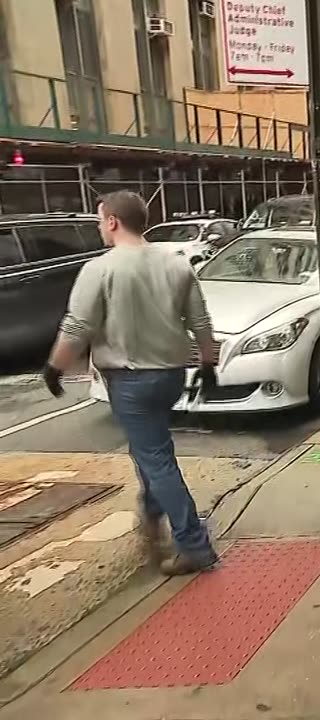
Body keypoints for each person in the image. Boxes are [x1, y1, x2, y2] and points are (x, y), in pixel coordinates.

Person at [43, 191, 220, 576]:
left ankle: (194, 544)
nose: (99, 228)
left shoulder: (100, 269)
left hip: (130, 381)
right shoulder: (177, 264)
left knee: (156, 458)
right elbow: (201, 322)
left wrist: (55, 368)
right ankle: (152, 518)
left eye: (99, 220)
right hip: (170, 376)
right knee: (149, 451)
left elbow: (77, 326)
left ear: (112, 222)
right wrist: (208, 364)